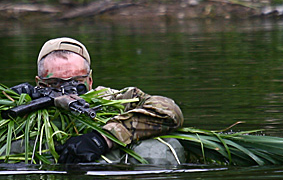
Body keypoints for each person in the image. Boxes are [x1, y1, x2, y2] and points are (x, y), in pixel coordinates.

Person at [11, 37, 184, 164]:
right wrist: (13, 99)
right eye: (54, 83)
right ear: (39, 82)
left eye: (76, 82)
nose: (66, 90)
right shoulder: (26, 107)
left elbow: (170, 112)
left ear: (90, 80)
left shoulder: (114, 99)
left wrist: (102, 139)